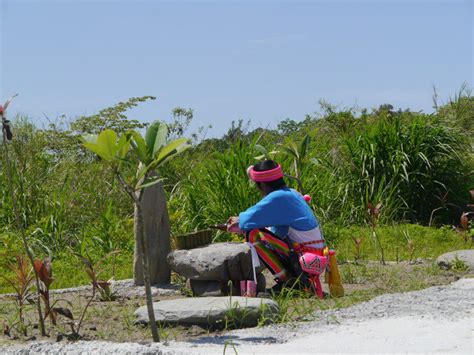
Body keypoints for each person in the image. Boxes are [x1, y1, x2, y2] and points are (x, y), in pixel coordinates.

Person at [227, 160, 326, 292]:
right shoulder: (291, 193)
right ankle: (295, 281)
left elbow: (246, 222)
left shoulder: (278, 197)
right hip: (313, 254)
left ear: (262, 185)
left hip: (304, 255)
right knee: (265, 232)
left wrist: (238, 220)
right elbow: (279, 230)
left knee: (253, 233)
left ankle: (289, 282)